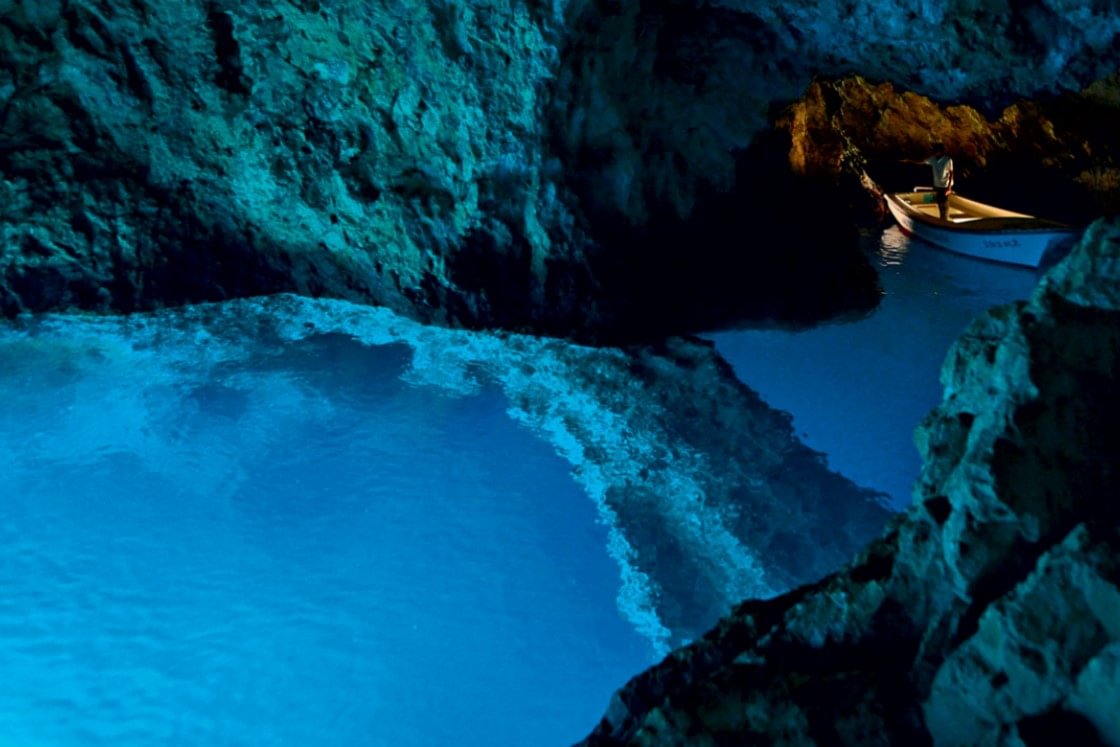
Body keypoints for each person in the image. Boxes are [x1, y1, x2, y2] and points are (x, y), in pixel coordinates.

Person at [924, 142, 955, 220]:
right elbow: (923, 161)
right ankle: (942, 217)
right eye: (934, 151)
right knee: (939, 201)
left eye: (936, 151)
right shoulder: (932, 159)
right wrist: (909, 160)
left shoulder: (948, 160)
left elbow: (951, 173)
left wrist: (949, 188)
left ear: (941, 151)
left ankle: (945, 218)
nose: (934, 152)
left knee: (944, 202)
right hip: (937, 184)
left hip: (945, 185)